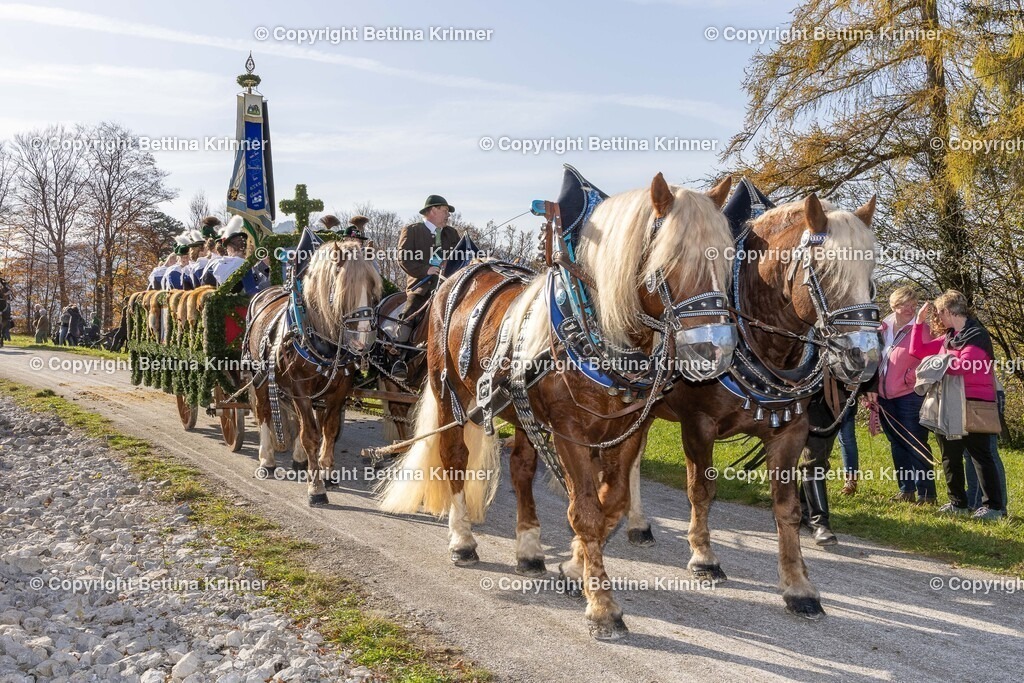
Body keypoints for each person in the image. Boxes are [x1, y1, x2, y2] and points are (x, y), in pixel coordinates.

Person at [910, 291, 1004, 521]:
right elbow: (918, 351)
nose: (938, 318)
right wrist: (918, 323)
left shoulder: (977, 335)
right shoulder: (950, 337)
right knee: (949, 455)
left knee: (980, 456)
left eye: (940, 313)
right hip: (948, 405)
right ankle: (957, 503)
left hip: (974, 404)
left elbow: (963, 365)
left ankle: (993, 507)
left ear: (949, 312)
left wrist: (937, 362)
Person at [863, 286, 937, 504]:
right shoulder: (881, 328)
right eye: (905, 304)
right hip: (884, 395)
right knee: (896, 443)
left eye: (914, 305)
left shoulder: (922, 329)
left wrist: (909, 378)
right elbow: (871, 359)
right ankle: (906, 490)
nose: (910, 308)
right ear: (894, 304)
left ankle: (927, 493)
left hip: (909, 394)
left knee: (916, 442)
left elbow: (932, 360)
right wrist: (871, 388)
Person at [392, 196, 460, 379]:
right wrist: (426, 270)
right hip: (421, 286)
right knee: (410, 312)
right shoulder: (412, 231)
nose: (448, 216)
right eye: (445, 211)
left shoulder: (451, 234)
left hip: (448, 286)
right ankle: (399, 357)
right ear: (433, 211)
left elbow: (461, 258)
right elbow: (403, 259)